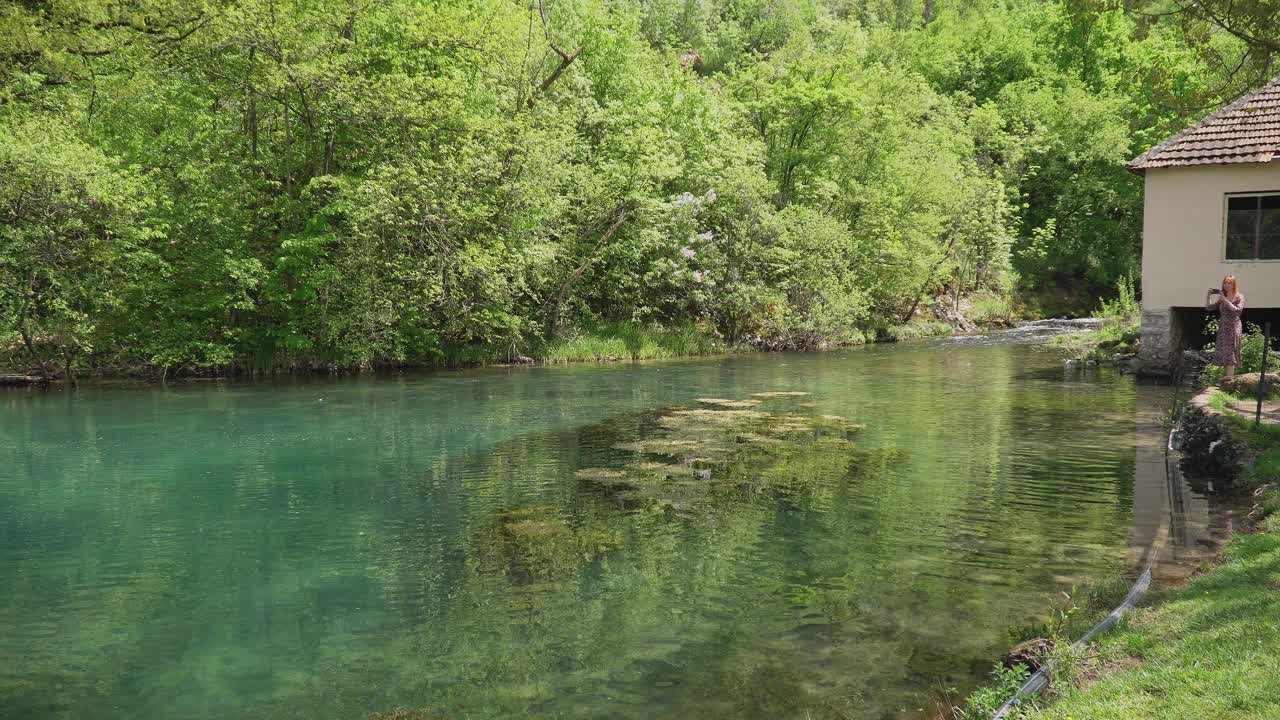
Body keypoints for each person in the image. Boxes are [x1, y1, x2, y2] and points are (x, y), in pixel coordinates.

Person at [1206, 274, 1244, 378]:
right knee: (1224, 351)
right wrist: (1208, 296)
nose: (1226, 285)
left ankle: (1230, 380)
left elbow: (1238, 311)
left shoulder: (1239, 297)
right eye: (1225, 282)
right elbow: (1209, 308)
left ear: (1234, 284)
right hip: (1223, 326)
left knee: (1231, 351)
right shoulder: (1222, 297)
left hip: (1233, 326)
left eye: (1229, 283)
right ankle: (1226, 379)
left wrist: (1226, 301)